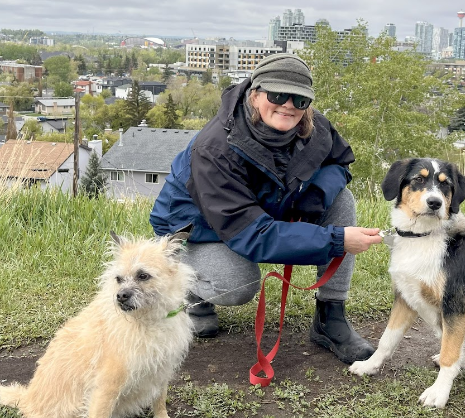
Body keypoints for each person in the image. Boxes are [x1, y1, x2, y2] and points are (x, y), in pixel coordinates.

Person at [150, 53, 382, 364]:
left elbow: (339, 162)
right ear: (255, 93)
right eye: (278, 95)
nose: (289, 105)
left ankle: (331, 316)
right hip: (198, 228)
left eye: (300, 99)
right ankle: (190, 290)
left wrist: (314, 197)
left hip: (258, 213)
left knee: (343, 200)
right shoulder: (215, 148)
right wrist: (337, 240)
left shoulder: (314, 125)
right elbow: (250, 234)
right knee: (237, 284)